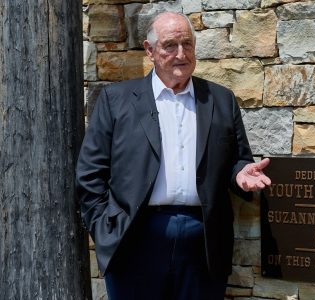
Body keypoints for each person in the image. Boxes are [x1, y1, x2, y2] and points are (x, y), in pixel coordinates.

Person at [76, 11, 271, 300]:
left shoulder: (220, 99)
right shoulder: (116, 100)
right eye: (170, 45)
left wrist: (241, 174)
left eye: (187, 44)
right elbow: (90, 173)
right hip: (134, 240)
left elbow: (237, 160)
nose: (181, 53)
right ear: (149, 50)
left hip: (202, 242)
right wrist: (106, 230)